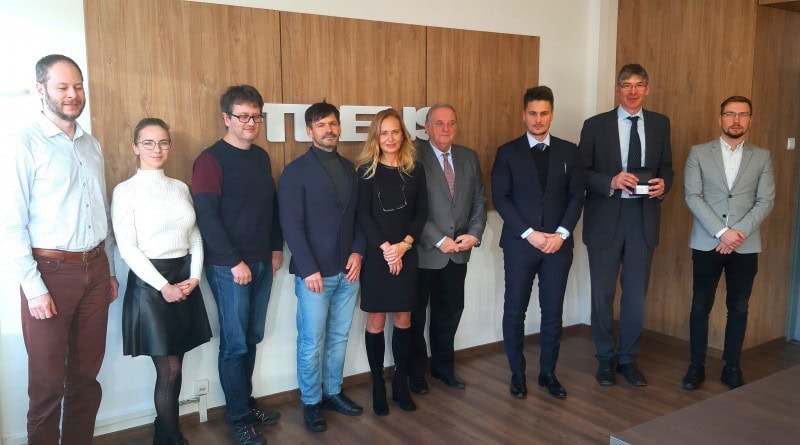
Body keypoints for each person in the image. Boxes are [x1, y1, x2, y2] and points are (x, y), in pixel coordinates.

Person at [0, 54, 118, 445]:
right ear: (41, 89)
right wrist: (33, 288)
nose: (73, 94)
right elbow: (11, 224)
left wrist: (109, 270)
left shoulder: (91, 144)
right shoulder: (22, 143)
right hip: (49, 275)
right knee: (47, 384)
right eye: (62, 87)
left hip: (96, 269)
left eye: (78, 86)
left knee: (85, 378)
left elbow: (100, 210)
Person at [191, 85, 283, 445]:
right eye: (243, 116)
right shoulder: (210, 160)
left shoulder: (261, 157)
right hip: (229, 268)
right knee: (234, 345)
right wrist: (233, 261)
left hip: (262, 262)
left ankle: (245, 404)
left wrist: (275, 248)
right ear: (226, 118)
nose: (250, 123)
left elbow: (271, 206)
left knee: (251, 338)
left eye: (256, 116)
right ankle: (239, 419)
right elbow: (207, 216)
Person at [112, 118, 213, 444]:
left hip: (184, 279)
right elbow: (127, 248)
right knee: (169, 369)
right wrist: (163, 287)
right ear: (135, 147)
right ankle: (170, 437)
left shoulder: (180, 187)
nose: (157, 149)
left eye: (163, 142)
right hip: (151, 286)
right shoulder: (125, 191)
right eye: (148, 143)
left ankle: (164, 430)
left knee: (177, 364)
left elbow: (195, 236)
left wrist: (195, 276)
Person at [579, 63, 674, 387]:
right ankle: (605, 359)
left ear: (647, 89)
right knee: (602, 295)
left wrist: (664, 185)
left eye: (638, 85)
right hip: (605, 218)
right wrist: (611, 180)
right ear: (617, 89)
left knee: (635, 297)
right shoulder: (595, 125)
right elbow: (581, 173)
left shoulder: (660, 124)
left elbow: (667, 166)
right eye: (626, 85)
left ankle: (628, 359)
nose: (632, 91)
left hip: (642, 219)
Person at [491, 86, 585, 399]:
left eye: (544, 113)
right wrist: (530, 233)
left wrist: (561, 234)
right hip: (520, 245)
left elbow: (577, 196)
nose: (538, 119)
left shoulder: (570, 151)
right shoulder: (507, 152)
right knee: (514, 311)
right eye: (532, 113)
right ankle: (517, 374)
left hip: (558, 246)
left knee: (552, 313)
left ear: (552, 114)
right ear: (524, 115)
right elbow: (501, 198)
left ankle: (548, 374)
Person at [278, 102, 366, 432]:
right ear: (309, 131)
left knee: (339, 337)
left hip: (348, 272)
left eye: (332, 123)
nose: (328, 130)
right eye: (320, 125)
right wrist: (307, 267)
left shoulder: (349, 169)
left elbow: (358, 217)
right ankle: (312, 401)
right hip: (314, 274)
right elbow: (291, 224)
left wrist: (358, 252)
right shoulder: (295, 171)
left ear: (339, 127)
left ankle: (333, 393)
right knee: (311, 342)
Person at [682, 96, 774, 391]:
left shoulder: (762, 156)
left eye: (743, 115)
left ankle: (731, 366)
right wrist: (722, 232)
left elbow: (765, 200)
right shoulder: (698, 153)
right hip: (707, 242)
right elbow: (692, 196)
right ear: (719, 118)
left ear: (750, 120)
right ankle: (696, 366)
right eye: (730, 114)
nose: (736, 120)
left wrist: (736, 234)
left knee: (739, 307)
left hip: (744, 246)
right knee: (700, 305)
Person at [409, 103, 487, 393]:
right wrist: (439, 239)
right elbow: (412, 207)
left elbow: (479, 200)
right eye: (439, 123)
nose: (446, 128)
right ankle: (416, 374)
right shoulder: (412, 156)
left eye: (451, 123)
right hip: (424, 252)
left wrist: (474, 234)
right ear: (427, 127)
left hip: (458, 254)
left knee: (450, 312)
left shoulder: (469, 157)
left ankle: (443, 369)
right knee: (416, 316)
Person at [357, 108, 428, 415]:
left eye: (395, 132)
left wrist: (404, 246)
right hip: (378, 257)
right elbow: (363, 215)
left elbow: (421, 213)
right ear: (376, 137)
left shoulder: (415, 169)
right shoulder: (366, 171)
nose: (389, 138)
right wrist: (387, 249)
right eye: (383, 133)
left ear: (403, 135)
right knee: (375, 321)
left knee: (403, 319)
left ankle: (400, 382)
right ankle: (377, 384)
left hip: (406, 254)